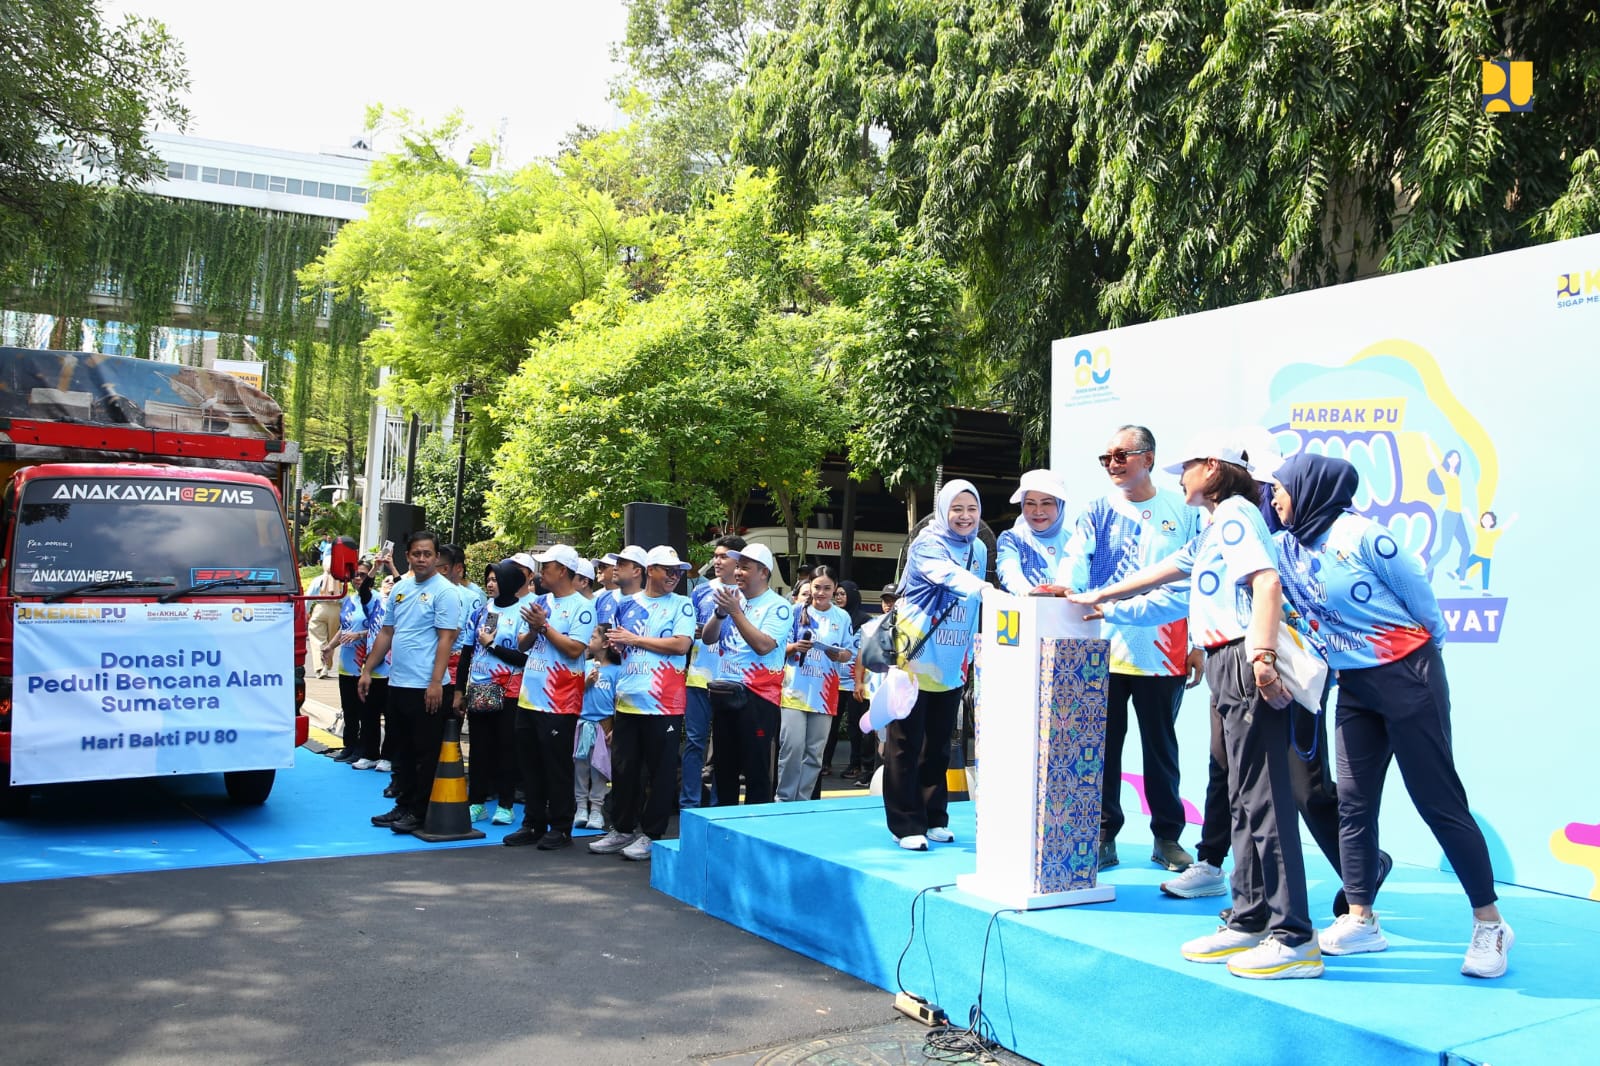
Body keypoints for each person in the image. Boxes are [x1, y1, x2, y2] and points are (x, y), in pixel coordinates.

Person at [1071, 433, 1321, 980]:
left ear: (1213, 467)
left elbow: (1267, 582)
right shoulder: (1214, 524)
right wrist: (1098, 600)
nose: (1179, 476)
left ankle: (1293, 934)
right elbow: (1163, 582)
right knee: (1242, 797)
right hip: (1224, 659)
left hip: (1239, 656)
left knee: (1264, 799)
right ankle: (1249, 918)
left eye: (1187, 466)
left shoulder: (1234, 515)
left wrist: (1259, 654)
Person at [1270, 453, 1512, 978]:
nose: (1274, 498)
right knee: (1354, 806)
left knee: (1438, 801)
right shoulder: (1286, 545)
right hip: (1354, 685)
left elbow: (1422, 604)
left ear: (1308, 488)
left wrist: (1420, 663)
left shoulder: (1364, 537)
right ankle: (1361, 919)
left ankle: (1490, 923)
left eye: (1281, 488)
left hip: (1408, 675)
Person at [1064, 426, 1204, 872]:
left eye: (1122, 454)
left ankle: (1167, 837)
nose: (1113, 464)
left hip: (1162, 651)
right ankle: (1103, 834)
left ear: (1148, 457)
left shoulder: (1182, 511)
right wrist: (1062, 590)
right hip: (1104, 648)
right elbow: (1073, 562)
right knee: (1102, 747)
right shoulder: (1097, 512)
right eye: (1106, 458)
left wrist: (1198, 642)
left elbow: (1200, 580)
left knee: (1160, 750)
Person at [884, 480, 989, 851]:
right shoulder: (928, 542)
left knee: (939, 744)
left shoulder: (978, 548)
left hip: (953, 658)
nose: (964, 516)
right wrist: (984, 588)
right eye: (956, 509)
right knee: (904, 743)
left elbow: (973, 607)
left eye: (971, 509)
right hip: (914, 654)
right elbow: (946, 575)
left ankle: (934, 817)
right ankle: (905, 823)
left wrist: (971, 651)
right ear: (944, 510)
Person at [590, 546, 697, 861]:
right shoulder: (626, 605)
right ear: (650, 570)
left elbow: (680, 645)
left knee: (660, 772)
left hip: (664, 702)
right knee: (624, 770)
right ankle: (621, 829)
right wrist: (618, 645)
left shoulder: (682, 605)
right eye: (669, 570)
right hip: (628, 699)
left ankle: (651, 834)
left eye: (678, 571)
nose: (675, 576)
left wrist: (635, 640)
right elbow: (621, 652)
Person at [362, 531, 462, 836]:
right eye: (416, 554)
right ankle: (402, 805)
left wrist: (435, 682)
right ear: (408, 556)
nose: (421, 559)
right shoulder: (400, 589)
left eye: (427, 554)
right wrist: (367, 669)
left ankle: (419, 811)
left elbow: (447, 638)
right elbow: (386, 633)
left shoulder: (445, 592)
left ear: (436, 558)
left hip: (428, 687)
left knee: (424, 752)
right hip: (398, 683)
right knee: (401, 751)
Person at [505, 544, 597, 851]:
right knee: (528, 764)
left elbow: (575, 649)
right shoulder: (539, 601)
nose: (542, 571)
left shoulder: (582, 606)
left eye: (548, 566)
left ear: (565, 571)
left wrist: (544, 626)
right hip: (530, 696)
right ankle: (532, 822)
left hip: (560, 699)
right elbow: (521, 644)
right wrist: (534, 628)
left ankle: (560, 825)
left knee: (556, 765)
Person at [702, 542, 792, 806]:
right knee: (724, 768)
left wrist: (735, 612)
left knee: (756, 770)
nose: (738, 572)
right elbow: (708, 639)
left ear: (763, 572)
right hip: (725, 693)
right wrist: (720, 614)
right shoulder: (732, 600)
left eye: (745, 567)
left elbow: (763, 646)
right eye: (737, 567)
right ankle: (726, 827)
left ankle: (755, 828)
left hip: (758, 697)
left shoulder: (778, 606)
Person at [457, 560, 528, 826]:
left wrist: (494, 646)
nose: (490, 583)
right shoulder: (482, 611)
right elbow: (468, 651)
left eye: (496, 579)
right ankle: (476, 801)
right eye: (488, 578)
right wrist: (458, 690)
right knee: (479, 747)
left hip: (510, 690)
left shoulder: (523, 612)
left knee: (506, 748)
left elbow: (524, 657)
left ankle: (506, 805)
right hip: (481, 688)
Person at [777, 567, 854, 802]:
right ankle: (784, 800)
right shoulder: (794, 611)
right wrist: (794, 648)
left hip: (825, 692)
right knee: (791, 749)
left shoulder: (842, 617)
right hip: (794, 690)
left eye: (827, 588)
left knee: (814, 753)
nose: (821, 593)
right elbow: (776, 648)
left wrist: (838, 655)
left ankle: (803, 801)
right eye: (817, 587)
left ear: (835, 588)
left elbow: (848, 651)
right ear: (809, 586)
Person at [683, 535, 746, 809]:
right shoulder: (701, 591)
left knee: (725, 747)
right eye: (716, 556)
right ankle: (689, 803)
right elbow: (689, 631)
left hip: (731, 682)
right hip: (699, 677)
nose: (717, 561)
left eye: (724, 557)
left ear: (740, 562)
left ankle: (719, 806)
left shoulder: (749, 595)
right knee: (695, 743)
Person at [331, 555, 386, 768]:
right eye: (355, 575)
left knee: (364, 710)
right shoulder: (349, 600)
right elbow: (343, 628)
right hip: (346, 661)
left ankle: (363, 748)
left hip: (365, 662)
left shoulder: (376, 600)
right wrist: (329, 647)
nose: (358, 579)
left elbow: (379, 629)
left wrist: (359, 635)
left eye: (362, 575)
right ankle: (349, 745)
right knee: (348, 708)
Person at [995, 468, 1072, 593]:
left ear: (1060, 504)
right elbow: (1009, 572)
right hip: (1025, 611)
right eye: (1030, 503)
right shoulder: (1011, 538)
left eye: (1046, 503)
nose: (1038, 511)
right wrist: (1031, 594)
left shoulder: (1074, 542)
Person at [575, 625, 621, 831]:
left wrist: (616, 726)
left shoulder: (616, 671)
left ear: (605, 643)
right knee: (580, 767)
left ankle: (596, 809)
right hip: (582, 723)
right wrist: (585, 684)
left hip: (603, 725)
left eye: (593, 637)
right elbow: (573, 694)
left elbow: (619, 701)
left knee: (599, 769)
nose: (589, 640)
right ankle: (580, 807)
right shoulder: (583, 666)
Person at [834, 580, 876, 786]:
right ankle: (825, 763)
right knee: (831, 725)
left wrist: (859, 681)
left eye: (843, 594)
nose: (839, 597)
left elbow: (863, 653)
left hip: (854, 682)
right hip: (833, 681)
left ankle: (856, 763)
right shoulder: (836, 618)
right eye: (837, 594)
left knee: (855, 726)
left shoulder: (867, 621)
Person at [307, 559, 345, 679]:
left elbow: (308, 597)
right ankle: (326, 667)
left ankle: (320, 666)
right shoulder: (341, 581)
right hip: (336, 610)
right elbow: (344, 599)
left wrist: (306, 611)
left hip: (320, 609)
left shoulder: (318, 580)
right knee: (331, 640)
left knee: (318, 639)